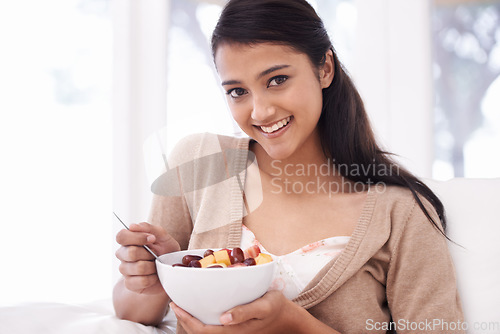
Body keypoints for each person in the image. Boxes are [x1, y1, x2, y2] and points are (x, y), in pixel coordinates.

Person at [113, 0, 465, 333]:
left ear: (324, 68)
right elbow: (135, 313)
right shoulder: (201, 163)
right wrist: (153, 276)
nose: (260, 111)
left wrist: (295, 325)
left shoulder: (399, 214)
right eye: (237, 91)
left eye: (277, 80)